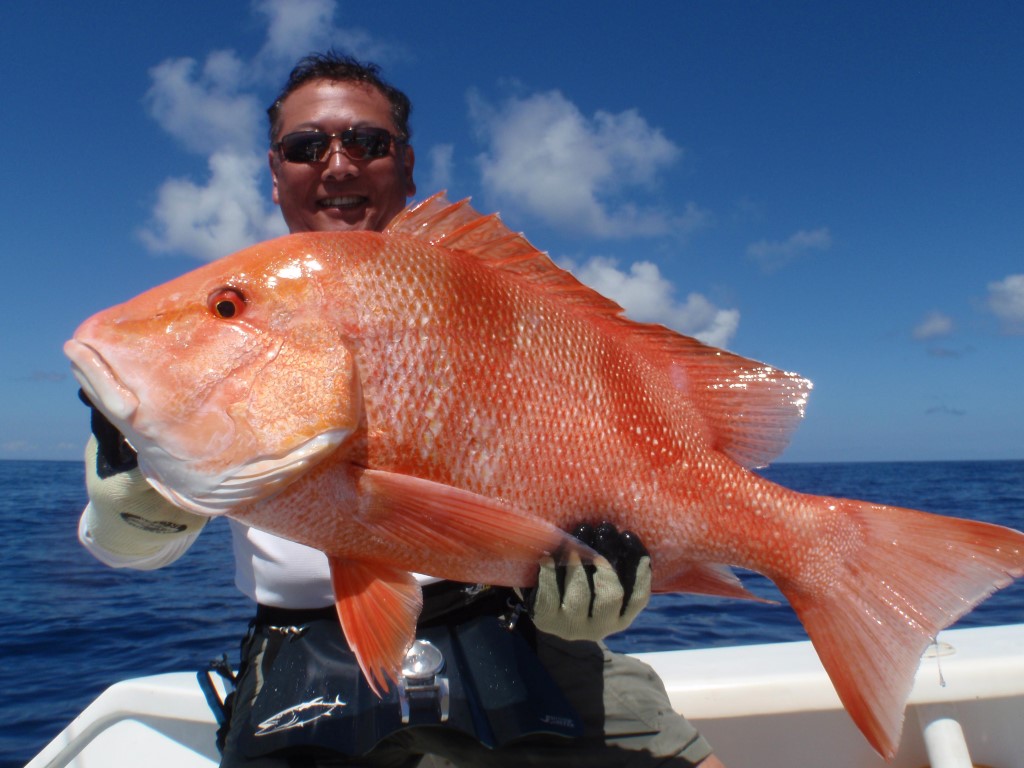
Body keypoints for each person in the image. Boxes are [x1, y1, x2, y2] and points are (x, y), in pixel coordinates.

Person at [79, 52, 725, 768]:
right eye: (306, 146)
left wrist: (602, 587)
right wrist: (132, 488)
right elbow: (128, 548)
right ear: (275, 172)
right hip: (303, 654)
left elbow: (585, 481)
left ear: (406, 164)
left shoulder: (484, 295)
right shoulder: (234, 315)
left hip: (533, 632)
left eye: (366, 142)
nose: (337, 164)